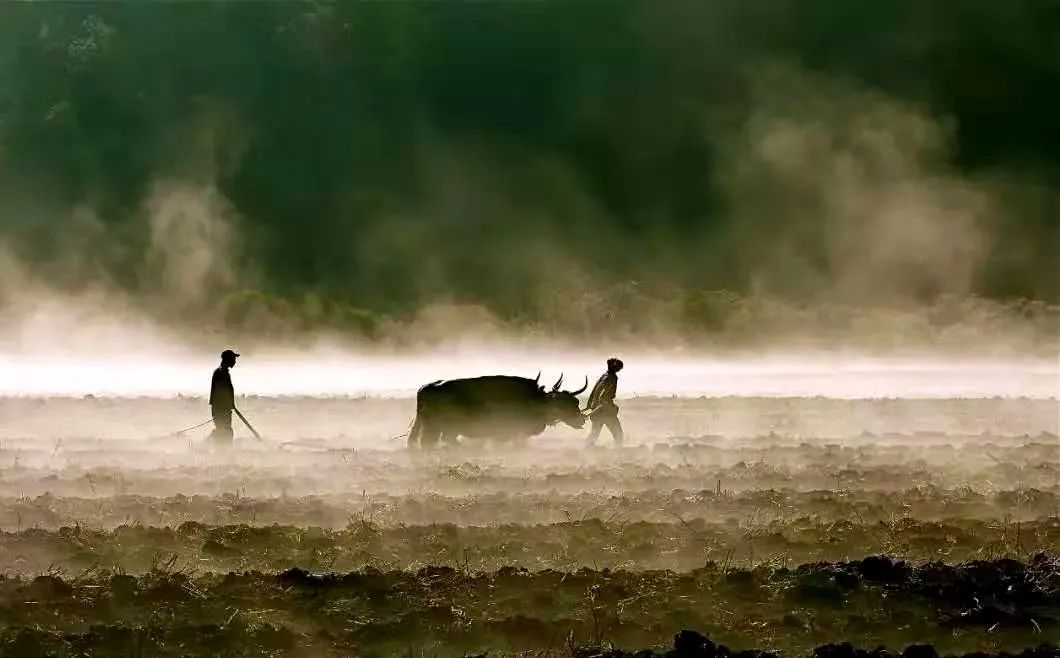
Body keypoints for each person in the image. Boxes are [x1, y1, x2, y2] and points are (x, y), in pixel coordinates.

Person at [585, 357, 624, 446]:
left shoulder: (604, 376)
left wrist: (590, 406)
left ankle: (583, 448)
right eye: (619, 368)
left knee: (594, 434)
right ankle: (618, 451)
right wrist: (610, 406)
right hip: (606, 411)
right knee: (619, 435)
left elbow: (594, 392)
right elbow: (604, 397)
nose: (619, 369)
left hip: (597, 410)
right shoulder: (612, 378)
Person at [209, 349, 239, 443]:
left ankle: (212, 445)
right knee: (225, 431)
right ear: (228, 360)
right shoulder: (221, 373)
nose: (235, 361)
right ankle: (220, 448)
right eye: (233, 359)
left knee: (223, 430)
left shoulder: (222, 372)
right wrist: (228, 405)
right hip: (221, 409)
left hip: (222, 408)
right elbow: (221, 392)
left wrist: (230, 404)